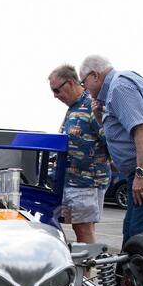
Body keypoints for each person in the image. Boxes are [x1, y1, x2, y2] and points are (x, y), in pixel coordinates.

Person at [78, 55, 143, 244]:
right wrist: (99, 115)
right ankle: (130, 272)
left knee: (142, 234)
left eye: (83, 82)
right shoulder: (120, 84)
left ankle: (140, 272)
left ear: (94, 75)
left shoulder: (119, 87)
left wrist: (141, 173)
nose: (84, 88)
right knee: (131, 230)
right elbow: (119, 131)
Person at [48, 64, 110, 243]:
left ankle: (85, 271)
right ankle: (82, 270)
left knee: (84, 229)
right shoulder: (74, 108)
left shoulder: (92, 105)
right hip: (71, 181)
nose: (55, 96)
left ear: (70, 83)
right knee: (79, 227)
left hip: (87, 182)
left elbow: (110, 141)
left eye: (57, 90)